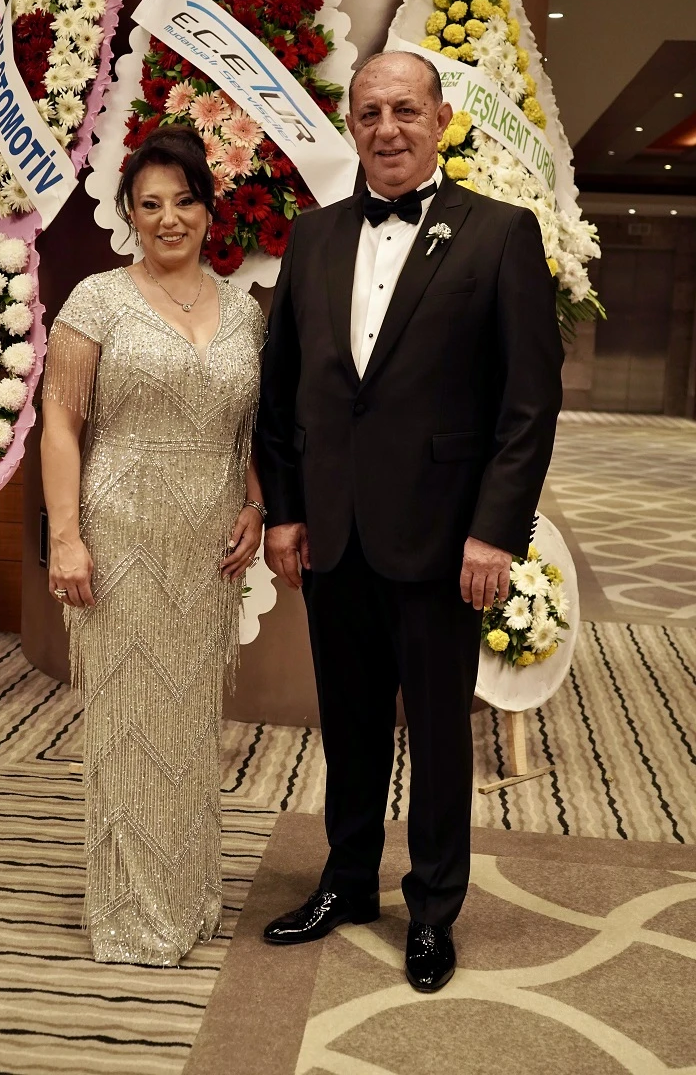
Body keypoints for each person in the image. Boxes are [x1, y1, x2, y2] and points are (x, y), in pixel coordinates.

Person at [256, 51, 563, 992]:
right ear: (351, 126)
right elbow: (282, 392)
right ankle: (348, 880)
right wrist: (285, 512)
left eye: (405, 110)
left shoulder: (500, 234)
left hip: (443, 539)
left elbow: (528, 403)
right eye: (369, 113)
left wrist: (494, 533)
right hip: (334, 533)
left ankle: (432, 909)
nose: (387, 129)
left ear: (440, 120)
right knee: (348, 724)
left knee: (436, 735)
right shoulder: (313, 236)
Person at [40, 125, 267, 965]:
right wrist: (66, 538)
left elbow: (252, 430)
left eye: (184, 201)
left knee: (188, 720)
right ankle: (133, 914)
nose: (170, 218)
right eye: (150, 204)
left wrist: (255, 504)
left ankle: (188, 892)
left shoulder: (243, 310)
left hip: (209, 545)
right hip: (121, 535)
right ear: (129, 214)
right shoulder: (96, 300)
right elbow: (59, 427)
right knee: (130, 719)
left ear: (209, 210)